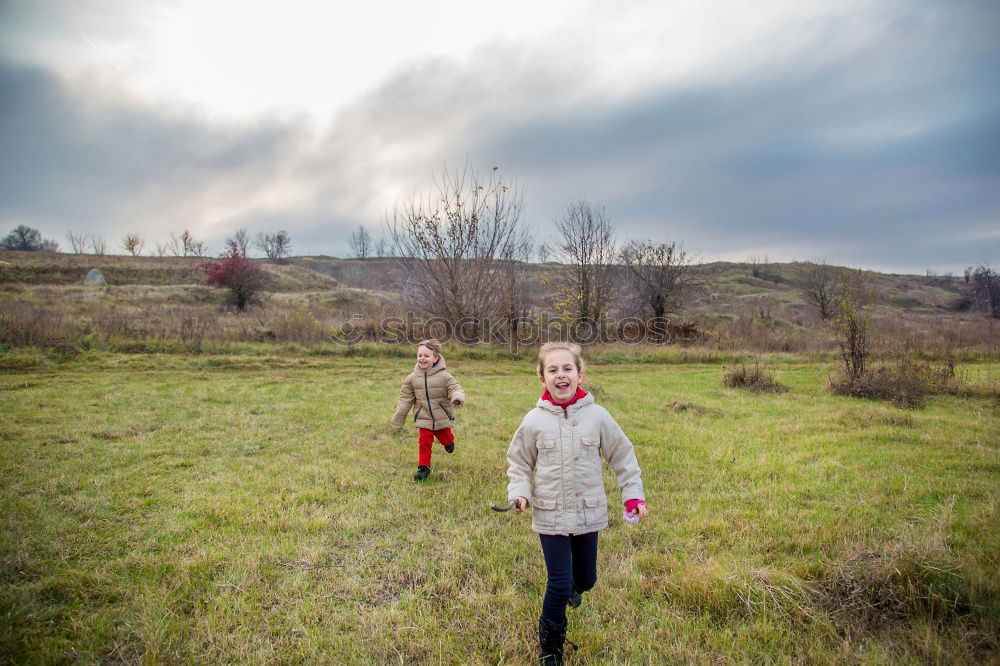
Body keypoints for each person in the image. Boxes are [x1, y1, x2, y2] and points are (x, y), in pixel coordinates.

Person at [505, 341, 648, 664]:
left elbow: (623, 456)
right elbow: (519, 464)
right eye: (552, 370)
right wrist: (520, 493)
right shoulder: (533, 421)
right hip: (550, 515)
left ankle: (576, 588)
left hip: (588, 512)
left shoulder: (598, 416)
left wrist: (632, 495)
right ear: (542, 379)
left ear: (580, 375)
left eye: (567, 368)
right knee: (558, 581)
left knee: (585, 580)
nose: (560, 375)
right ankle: (551, 648)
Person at [392, 339, 465, 481]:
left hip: (441, 415)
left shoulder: (445, 377)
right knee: (424, 442)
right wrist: (399, 415)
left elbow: (455, 388)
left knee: (444, 434)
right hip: (423, 416)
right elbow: (405, 398)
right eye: (419, 355)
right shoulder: (412, 378)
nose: (422, 359)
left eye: (426, 356)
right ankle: (423, 468)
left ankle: (449, 442)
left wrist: (457, 397)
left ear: (435, 358)